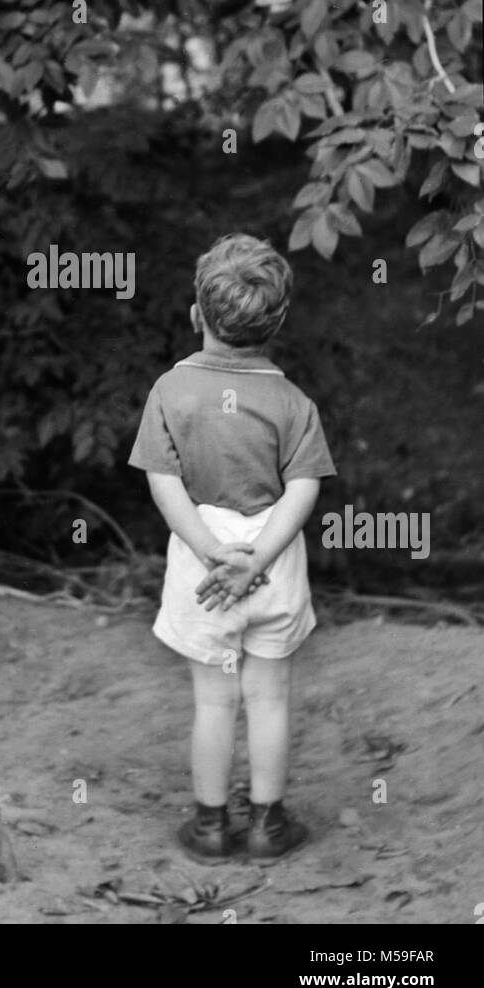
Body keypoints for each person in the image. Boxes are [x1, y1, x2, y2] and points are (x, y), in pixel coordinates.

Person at [128, 234, 337, 861]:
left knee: (214, 699)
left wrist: (214, 553)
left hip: (204, 566)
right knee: (269, 695)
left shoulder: (170, 392)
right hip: (274, 562)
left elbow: (163, 485)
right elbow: (302, 492)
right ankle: (268, 826)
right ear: (278, 321)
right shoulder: (295, 403)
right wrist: (258, 558)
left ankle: (211, 827)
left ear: (197, 315)